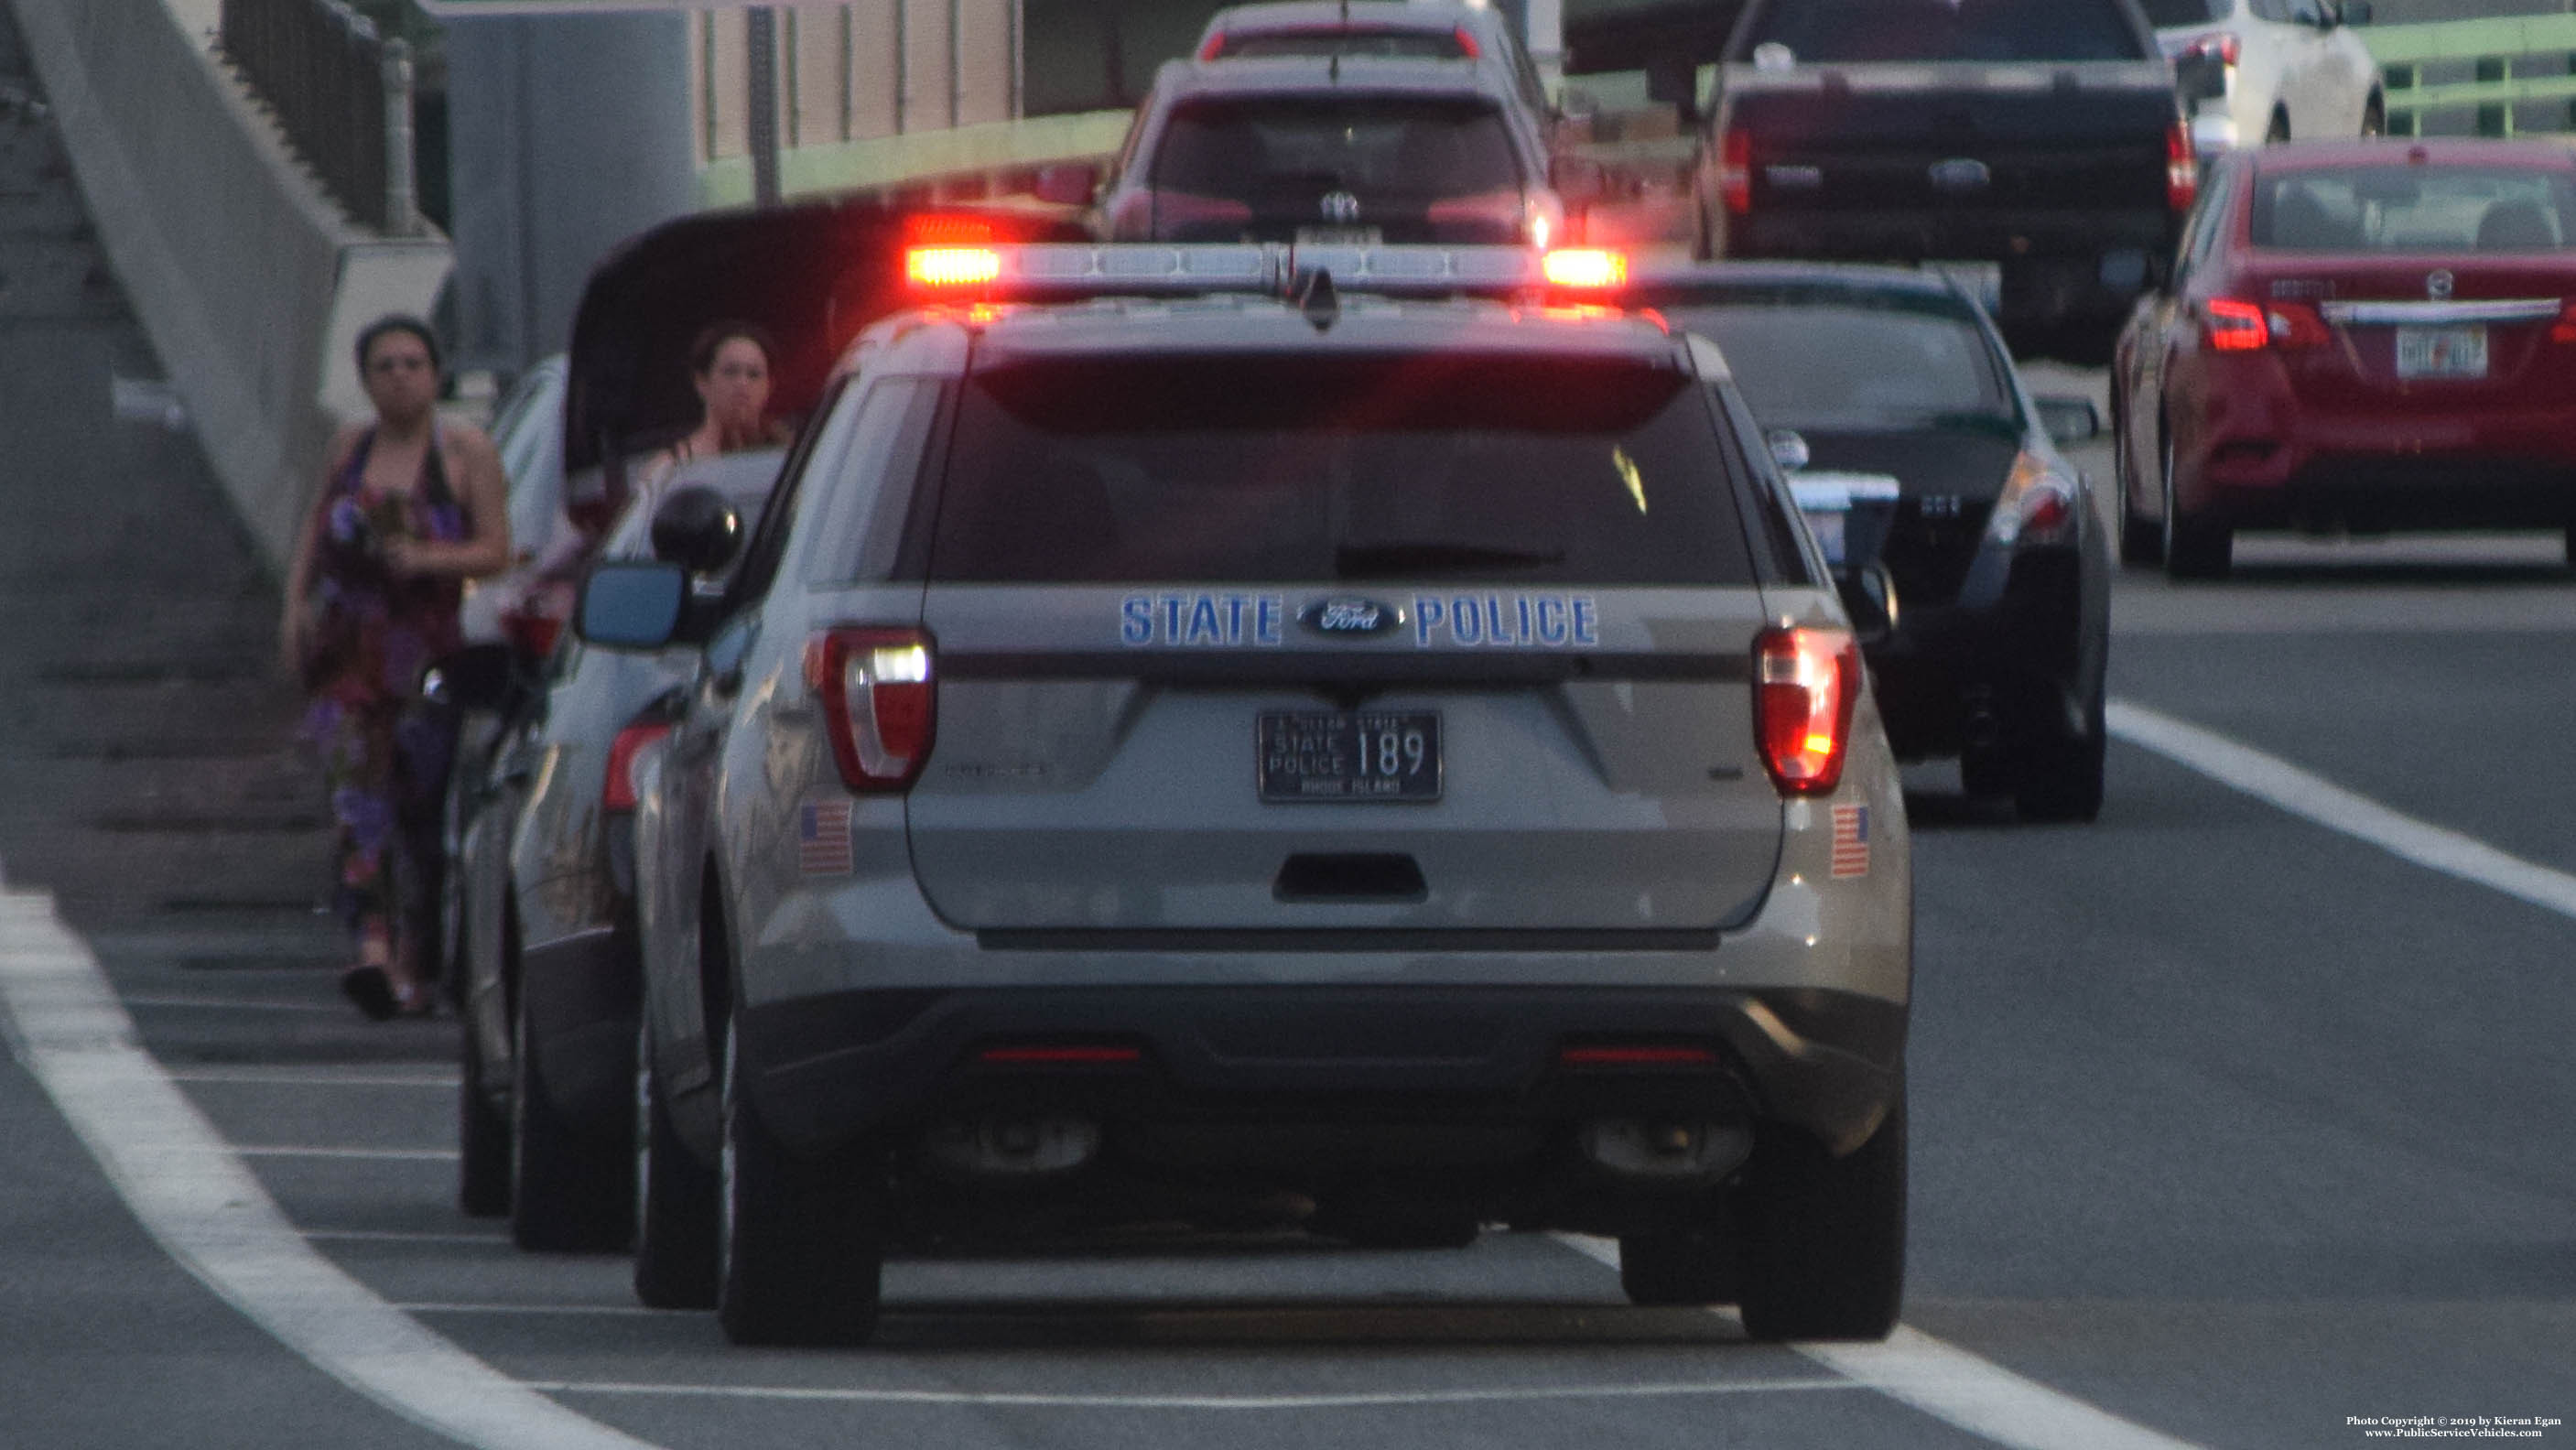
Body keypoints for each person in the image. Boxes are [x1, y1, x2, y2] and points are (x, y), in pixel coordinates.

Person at [279, 316, 511, 1020]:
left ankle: (416, 960)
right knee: (358, 801)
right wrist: (295, 604)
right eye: (385, 365)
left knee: (418, 807)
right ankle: (373, 950)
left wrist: (431, 560)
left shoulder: (465, 453)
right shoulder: (351, 449)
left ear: (436, 374)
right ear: (366, 377)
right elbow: (317, 532)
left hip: (426, 659)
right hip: (351, 656)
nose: (400, 375)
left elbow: (497, 550)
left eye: (414, 363)